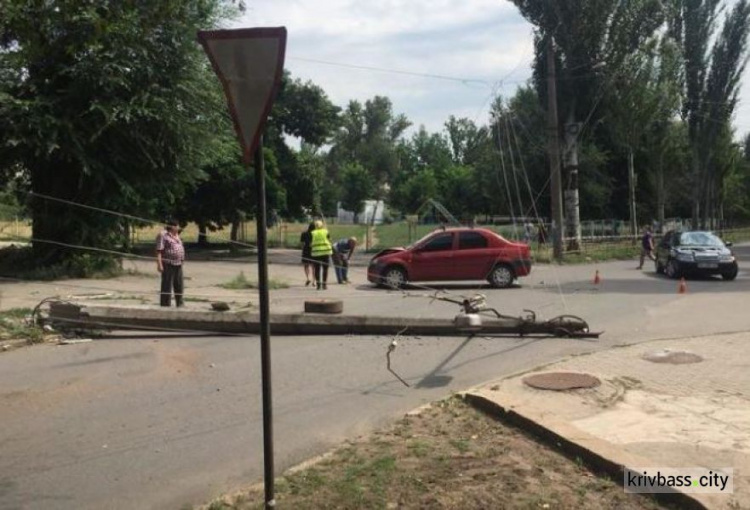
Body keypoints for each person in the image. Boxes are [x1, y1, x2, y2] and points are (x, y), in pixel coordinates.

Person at [156, 219, 185, 307]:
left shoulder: (177, 236)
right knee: (167, 285)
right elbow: (159, 251)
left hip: (178, 264)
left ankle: (179, 303)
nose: (178, 228)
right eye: (177, 226)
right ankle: (165, 305)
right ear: (172, 227)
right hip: (168, 263)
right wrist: (159, 264)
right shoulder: (163, 235)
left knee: (179, 285)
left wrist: (182, 260)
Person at [309, 220, 333, 290]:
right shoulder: (326, 231)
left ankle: (318, 285)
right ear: (322, 225)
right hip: (326, 252)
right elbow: (330, 240)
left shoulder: (313, 233)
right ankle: (324, 285)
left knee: (317, 269)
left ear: (315, 226)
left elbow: (310, 244)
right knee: (325, 269)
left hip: (316, 253)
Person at [300, 222, 315, 286]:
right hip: (313, 250)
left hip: (306, 250)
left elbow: (302, 243)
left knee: (306, 265)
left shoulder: (304, 234)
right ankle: (314, 281)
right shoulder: (315, 234)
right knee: (313, 266)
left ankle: (308, 278)